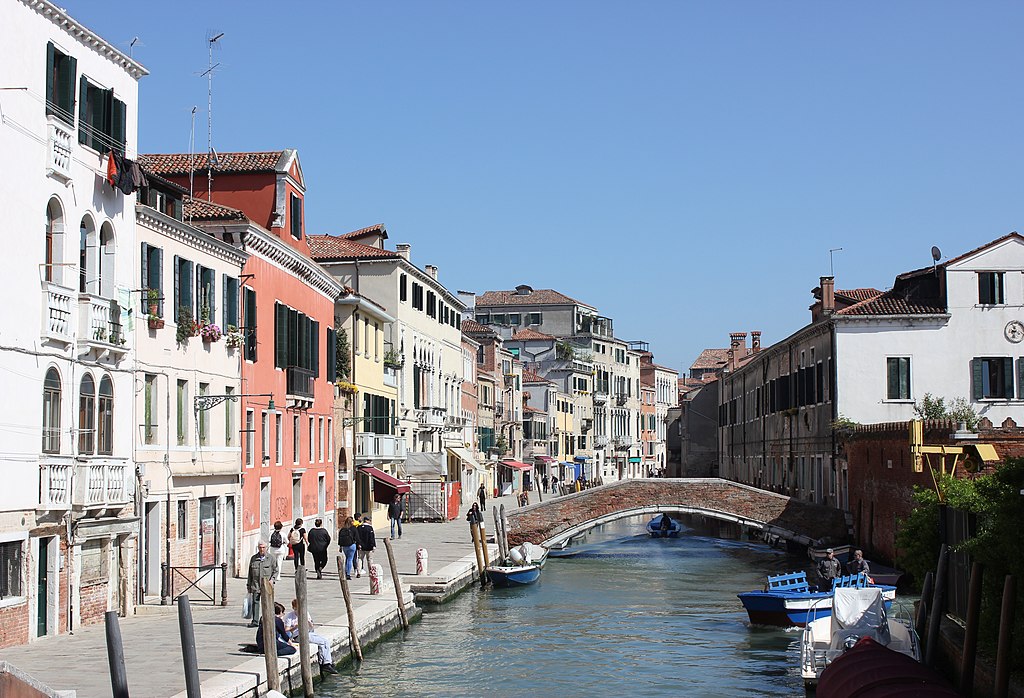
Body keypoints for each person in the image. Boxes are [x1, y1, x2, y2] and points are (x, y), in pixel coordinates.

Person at [284, 598, 337, 674]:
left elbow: (312, 627)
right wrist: (295, 627)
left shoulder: (306, 613)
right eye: (296, 609)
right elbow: (286, 630)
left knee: (325, 641)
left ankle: (327, 662)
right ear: (293, 608)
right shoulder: (290, 616)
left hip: (308, 632)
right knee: (322, 642)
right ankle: (325, 663)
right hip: (298, 635)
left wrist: (308, 622)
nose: (298, 611)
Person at [246, 542, 278, 628]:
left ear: (266, 548)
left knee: (268, 603)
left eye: (263, 547)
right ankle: (255, 621)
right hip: (256, 585)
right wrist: (249, 585)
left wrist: (272, 580)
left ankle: (268, 620)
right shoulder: (253, 558)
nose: (262, 549)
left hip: (267, 586)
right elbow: (250, 574)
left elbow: (276, 571)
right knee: (255, 602)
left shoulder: (271, 558)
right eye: (260, 547)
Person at [337, 516, 357, 580]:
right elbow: (357, 537)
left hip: (344, 546)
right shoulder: (353, 528)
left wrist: (340, 546)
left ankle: (346, 571)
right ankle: (348, 573)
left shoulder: (342, 529)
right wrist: (359, 545)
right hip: (352, 545)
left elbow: (339, 538)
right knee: (350, 559)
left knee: (347, 559)